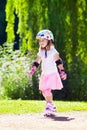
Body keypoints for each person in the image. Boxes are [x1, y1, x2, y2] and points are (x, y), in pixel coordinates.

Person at [29, 29, 67, 116]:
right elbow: (37, 61)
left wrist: (62, 71)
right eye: (39, 41)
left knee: (47, 90)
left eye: (43, 40)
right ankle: (51, 105)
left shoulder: (53, 51)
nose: (41, 42)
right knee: (43, 91)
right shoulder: (41, 51)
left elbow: (58, 61)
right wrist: (33, 69)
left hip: (52, 74)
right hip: (44, 74)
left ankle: (49, 105)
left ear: (49, 40)